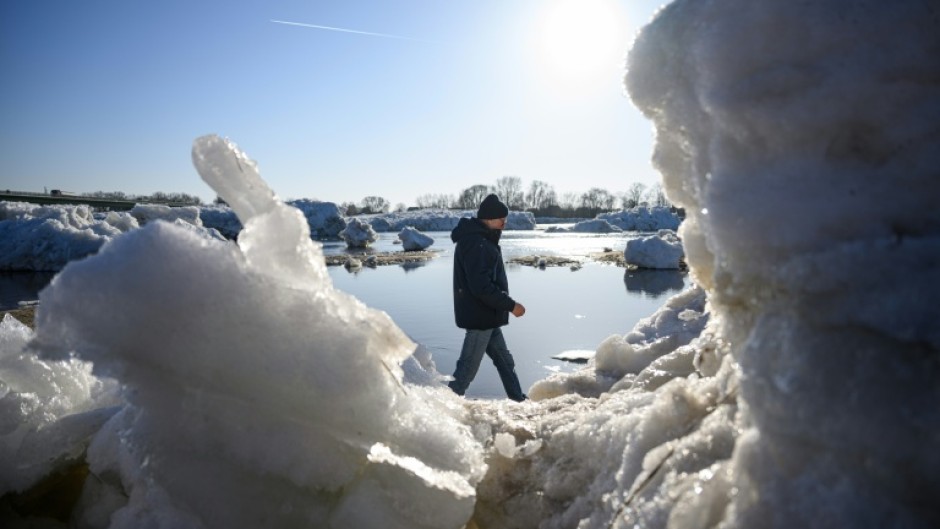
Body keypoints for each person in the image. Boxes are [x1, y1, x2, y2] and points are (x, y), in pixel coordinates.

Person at [447, 194, 527, 402]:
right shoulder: (477, 244)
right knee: (466, 371)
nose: (505, 223)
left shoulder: (482, 239)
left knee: (505, 361)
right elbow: (481, 287)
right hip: (480, 317)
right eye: (502, 219)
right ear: (490, 219)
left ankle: (519, 400)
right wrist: (511, 305)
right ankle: (444, 409)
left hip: (488, 316)